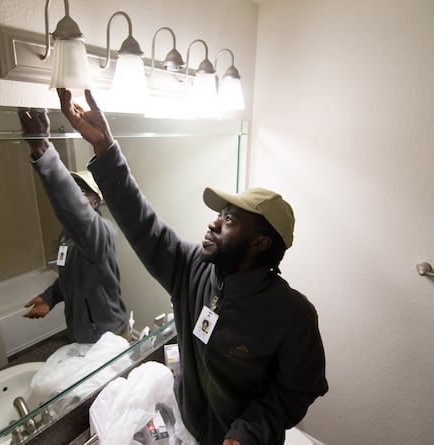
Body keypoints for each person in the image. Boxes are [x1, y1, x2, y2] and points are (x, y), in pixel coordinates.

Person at [56, 89, 328, 445]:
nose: (214, 223)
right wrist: (106, 149)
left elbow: (297, 390)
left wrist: (248, 431)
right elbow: (141, 222)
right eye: (218, 214)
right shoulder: (190, 267)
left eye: (229, 219)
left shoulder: (292, 316)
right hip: (188, 426)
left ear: (260, 242)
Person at [18, 108, 129, 344]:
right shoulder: (66, 236)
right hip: (80, 333)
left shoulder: (103, 232)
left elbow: (77, 213)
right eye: (73, 189)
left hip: (108, 336)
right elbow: (70, 277)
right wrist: (50, 296)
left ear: (96, 201)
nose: (77, 196)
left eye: (82, 192)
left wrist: (43, 151)